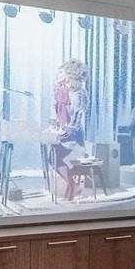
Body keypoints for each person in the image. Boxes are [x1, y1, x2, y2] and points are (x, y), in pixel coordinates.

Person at [44, 57, 90, 201]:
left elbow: (77, 116)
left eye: (61, 72)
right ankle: (73, 185)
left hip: (73, 135)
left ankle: (72, 187)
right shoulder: (61, 91)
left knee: (65, 160)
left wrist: (66, 131)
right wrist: (54, 124)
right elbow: (57, 113)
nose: (57, 75)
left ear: (70, 74)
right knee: (52, 159)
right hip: (62, 132)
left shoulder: (79, 93)